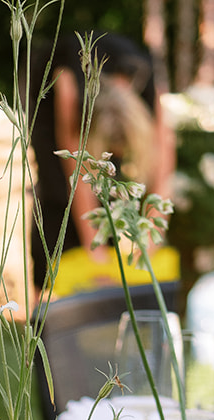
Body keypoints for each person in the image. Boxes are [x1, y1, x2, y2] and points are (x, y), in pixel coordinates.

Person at [25, 31, 170, 293]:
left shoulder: (149, 82)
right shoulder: (70, 84)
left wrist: (151, 238)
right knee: (56, 198)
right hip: (56, 117)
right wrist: (96, 253)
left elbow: (164, 163)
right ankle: (44, 306)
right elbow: (78, 174)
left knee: (114, 196)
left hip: (112, 105)